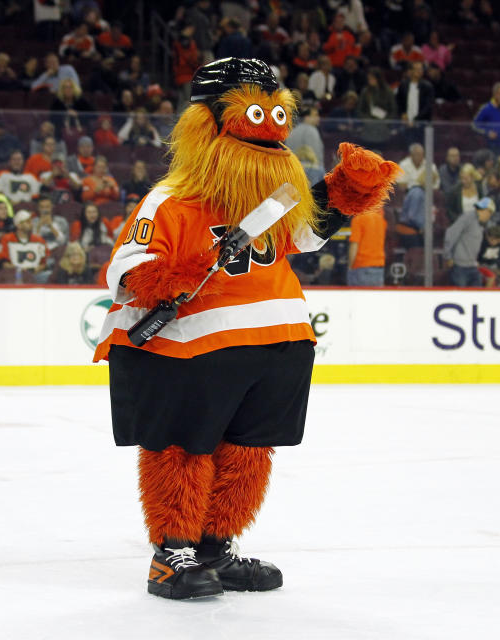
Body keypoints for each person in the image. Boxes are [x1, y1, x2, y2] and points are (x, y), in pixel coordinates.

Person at [92, 58, 399, 600]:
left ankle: (215, 545)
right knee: (184, 447)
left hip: (276, 341)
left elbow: (303, 235)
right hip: (192, 349)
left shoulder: (272, 199)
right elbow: (127, 271)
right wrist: (171, 276)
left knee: (248, 449)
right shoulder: (172, 199)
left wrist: (346, 191)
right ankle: (174, 553)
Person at [444, 197, 493, 287]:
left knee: (476, 295)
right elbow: (451, 233)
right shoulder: (468, 217)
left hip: (472, 265)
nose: (489, 216)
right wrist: (448, 256)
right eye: (489, 213)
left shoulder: (481, 224)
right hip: (460, 266)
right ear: (483, 210)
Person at [0, 210, 49, 274]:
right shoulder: (7, 239)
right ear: (19, 225)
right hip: (14, 274)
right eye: (28, 222)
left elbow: (44, 262)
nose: (31, 224)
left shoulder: (39, 240)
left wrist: (37, 269)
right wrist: (20, 270)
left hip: (36, 275)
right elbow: (3, 263)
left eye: (31, 221)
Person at [347, 208, 386, 286]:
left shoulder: (359, 218)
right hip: (379, 268)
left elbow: (354, 245)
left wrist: (350, 266)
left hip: (361, 267)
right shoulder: (381, 219)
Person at [395, 61, 434, 126]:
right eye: (417, 69)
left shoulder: (428, 86)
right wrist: (402, 113)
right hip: (405, 121)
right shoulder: (403, 85)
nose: (419, 71)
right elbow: (398, 102)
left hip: (421, 122)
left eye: (421, 69)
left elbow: (428, 106)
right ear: (411, 71)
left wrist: (416, 120)